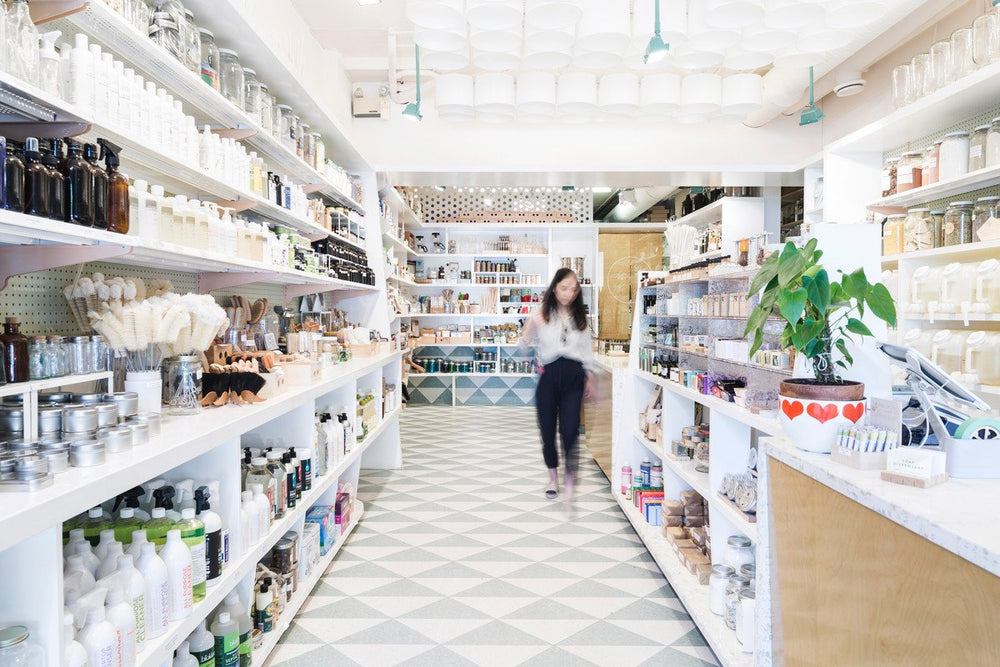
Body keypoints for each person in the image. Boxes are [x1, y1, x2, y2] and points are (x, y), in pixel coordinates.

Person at [521, 267, 595, 506]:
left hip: (574, 377)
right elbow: (523, 347)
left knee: (571, 431)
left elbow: (586, 352)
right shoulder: (541, 315)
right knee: (547, 431)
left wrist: (590, 376)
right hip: (548, 377)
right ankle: (552, 478)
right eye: (564, 288)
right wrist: (527, 332)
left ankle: (570, 479)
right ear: (554, 288)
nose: (569, 293)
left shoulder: (581, 318)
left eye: (573, 289)